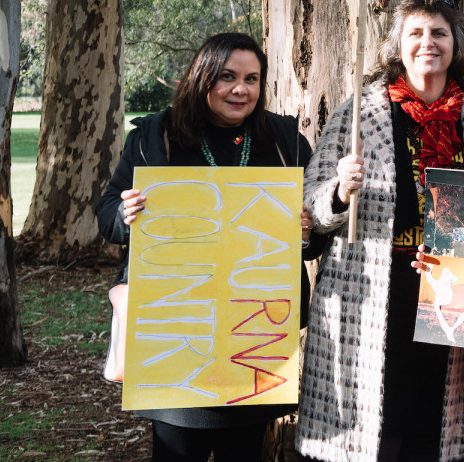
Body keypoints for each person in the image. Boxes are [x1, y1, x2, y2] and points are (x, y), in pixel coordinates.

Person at [295, 0, 464, 462]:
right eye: (416, 33)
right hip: (371, 292)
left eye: (438, 33)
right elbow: (311, 205)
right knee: (379, 425)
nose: (427, 43)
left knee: (436, 421)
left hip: (449, 297)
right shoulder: (362, 112)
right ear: (398, 45)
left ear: (455, 45)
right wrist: (341, 191)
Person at [96, 32, 319, 462]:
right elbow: (106, 213)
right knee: (177, 450)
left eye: (252, 79)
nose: (242, 89)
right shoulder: (155, 136)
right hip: (176, 329)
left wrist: (305, 232)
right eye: (228, 76)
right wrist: (126, 216)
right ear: (202, 78)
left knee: (245, 452)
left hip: (252, 336)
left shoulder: (285, 141)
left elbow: (310, 243)